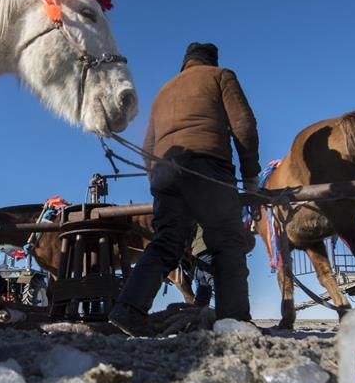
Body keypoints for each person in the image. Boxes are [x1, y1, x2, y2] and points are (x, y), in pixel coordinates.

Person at [109, 42, 261, 336]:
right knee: (228, 242)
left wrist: (157, 180)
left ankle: (127, 309)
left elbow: (148, 147)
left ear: (185, 63)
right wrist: (251, 177)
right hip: (208, 166)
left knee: (167, 241)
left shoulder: (163, 92)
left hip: (165, 172)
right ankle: (234, 320)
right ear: (211, 61)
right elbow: (244, 125)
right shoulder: (220, 76)